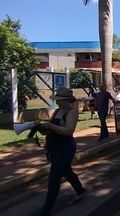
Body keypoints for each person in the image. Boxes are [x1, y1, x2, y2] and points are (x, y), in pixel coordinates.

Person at [38, 87, 85, 215]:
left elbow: (69, 131)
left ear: (66, 100)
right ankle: (80, 191)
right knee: (67, 171)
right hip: (54, 147)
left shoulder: (72, 113)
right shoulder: (57, 111)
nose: (57, 102)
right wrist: (42, 129)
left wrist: (51, 126)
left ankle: (45, 211)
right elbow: (52, 129)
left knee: (54, 179)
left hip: (65, 148)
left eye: (59, 100)